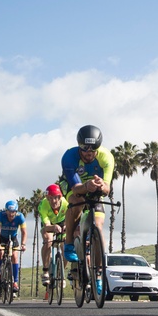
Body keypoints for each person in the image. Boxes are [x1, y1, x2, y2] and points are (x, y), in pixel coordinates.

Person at [60, 125, 113, 296]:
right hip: (74, 186)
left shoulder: (107, 158)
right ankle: (69, 242)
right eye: (84, 148)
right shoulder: (69, 157)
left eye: (93, 148)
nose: (89, 152)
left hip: (95, 188)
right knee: (77, 200)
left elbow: (107, 189)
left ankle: (98, 275)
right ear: (79, 145)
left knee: (98, 225)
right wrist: (87, 185)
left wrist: (100, 186)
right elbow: (75, 188)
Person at [0, 199, 27, 295]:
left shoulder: (20, 217)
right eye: (9, 212)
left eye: (13, 212)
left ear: (16, 212)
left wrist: (23, 244)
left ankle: (15, 282)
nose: (11, 214)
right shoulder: (0, 215)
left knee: (15, 257)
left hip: (13, 237)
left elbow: (24, 232)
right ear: (6, 211)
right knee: (0, 253)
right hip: (2, 238)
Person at [37, 184, 69, 287]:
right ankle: (45, 271)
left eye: (56, 198)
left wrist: (66, 226)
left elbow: (70, 218)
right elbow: (46, 226)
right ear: (47, 198)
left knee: (65, 246)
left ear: (60, 197)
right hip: (49, 224)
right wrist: (53, 227)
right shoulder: (43, 205)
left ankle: (61, 273)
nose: (53, 201)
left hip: (62, 222)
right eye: (50, 198)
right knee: (48, 241)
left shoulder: (65, 203)